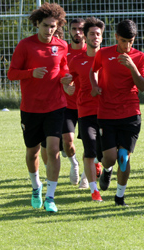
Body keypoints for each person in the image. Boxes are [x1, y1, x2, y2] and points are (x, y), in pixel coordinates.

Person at [7, 2, 73, 212]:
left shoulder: (62, 45)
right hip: (31, 108)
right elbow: (11, 73)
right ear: (37, 24)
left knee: (53, 150)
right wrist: (30, 73)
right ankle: (36, 187)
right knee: (32, 152)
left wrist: (67, 79)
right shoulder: (25, 45)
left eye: (53, 26)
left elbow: (64, 69)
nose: (49, 30)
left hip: (55, 106)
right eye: (45, 25)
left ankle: (51, 197)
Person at [90, 19, 144, 206]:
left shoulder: (140, 57)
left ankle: (120, 197)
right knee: (109, 158)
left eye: (131, 41)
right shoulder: (104, 54)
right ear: (116, 37)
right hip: (106, 113)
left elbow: (143, 87)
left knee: (123, 157)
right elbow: (93, 71)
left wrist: (132, 67)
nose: (127, 45)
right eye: (124, 41)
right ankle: (107, 170)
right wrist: (95, 85)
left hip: (130, 113)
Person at [66, 17, 105, 202]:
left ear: (102, 37)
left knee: (106, 153)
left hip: (108, 111)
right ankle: (93, 190)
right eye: (91, 34)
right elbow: (68, 79)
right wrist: (67, 86)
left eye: (98, 34)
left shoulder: (108, 57)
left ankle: (103, 167)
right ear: (86, 37)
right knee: (89, 148)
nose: (95, 37)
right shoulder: (76, 60)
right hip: (85, 111)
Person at [62, 18, 87, 186]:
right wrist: (65, 87)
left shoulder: (92, 51)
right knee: (67, 140)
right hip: (68, 104)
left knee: (90, 143)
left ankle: (87, 175)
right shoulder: (64, 51)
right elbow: (59, 76)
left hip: (87, 105)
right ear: (69, 31)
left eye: (80, 29)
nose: (77, 32)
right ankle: (74, 164)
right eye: (74, 29)